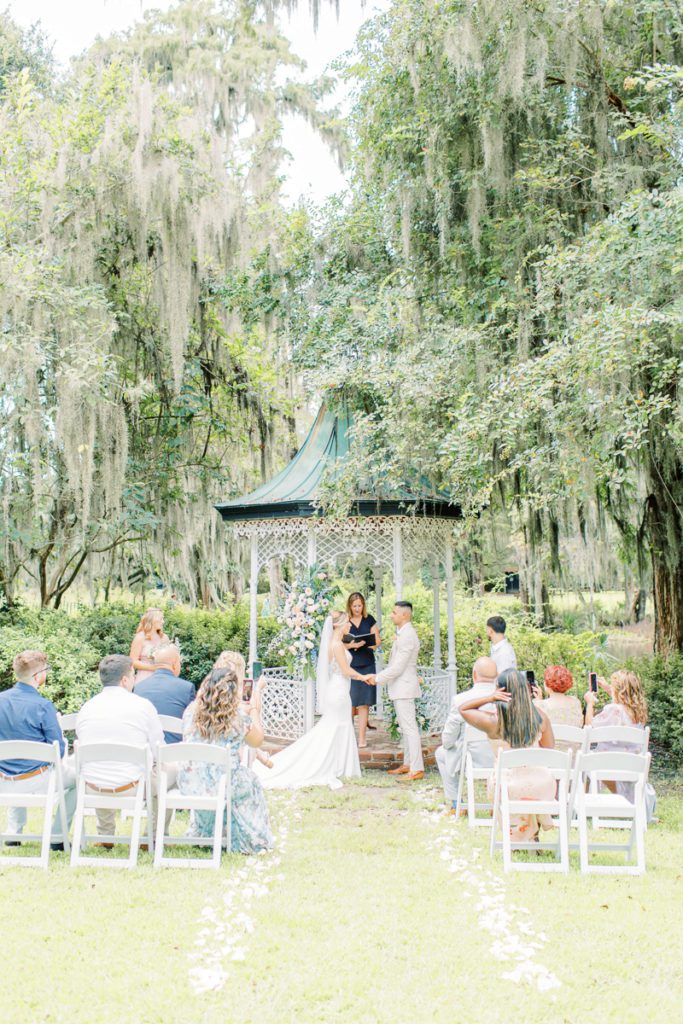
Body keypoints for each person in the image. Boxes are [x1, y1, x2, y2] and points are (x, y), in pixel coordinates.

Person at [253, 610, 364, 790]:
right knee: (338, 726)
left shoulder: (334, 644)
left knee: (337, 726)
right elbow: (345, 670)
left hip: (337, 689)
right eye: (347, 622)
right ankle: (340, 766)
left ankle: (341, 765)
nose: (350, 626)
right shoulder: (336, 645)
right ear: (337, 625)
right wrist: (366, 677)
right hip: (339, 690)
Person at [179, 666, 273, 853]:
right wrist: (254, 708)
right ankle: (248, 834)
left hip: (192, 783)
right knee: (250, 780)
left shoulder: (190, 711)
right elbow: (258, 740)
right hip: (225, 783)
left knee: (231, 778)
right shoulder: (237, 717)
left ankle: (209, 832)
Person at [76, 654, 166, 845]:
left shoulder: (87, 707)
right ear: (125, 680)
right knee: (167, 774)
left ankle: (106, 835)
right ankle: (152, 836)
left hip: (92, 786)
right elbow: (159, 748)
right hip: (133, 786)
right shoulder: (143, 706)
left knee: (100, 765)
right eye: (133, 675)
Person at [460, 668, 555, 842]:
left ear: (501, 691)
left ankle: (517, 836)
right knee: (533, 780)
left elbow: (463, 709)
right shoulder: (541, 718)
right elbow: (549, 751)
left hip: (507, 785)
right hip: (541, 785)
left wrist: (490, 697)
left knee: (513, 784)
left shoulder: (493, 722)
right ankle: (532, 833)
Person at [0, 650, 76, 850]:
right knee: (79, 779)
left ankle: (14, 831)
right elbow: (58, 749)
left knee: (16, 764)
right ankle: (57, 836)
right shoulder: (43, 705)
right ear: (38, 676)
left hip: (3, 779)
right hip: (37, 780)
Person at [367, 601, 424, 781]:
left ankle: (417, 768)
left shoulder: (407, 635)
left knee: (410, 728)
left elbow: (398, 667)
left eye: (394, 612)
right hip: (401, 687)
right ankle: (408, 763)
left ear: (404, 615)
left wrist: (376, 678)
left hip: (404, 687)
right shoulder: (403, 633)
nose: (391, 615)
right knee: (406, 728)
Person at [584, 669, 654, 815]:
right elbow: (621, 708)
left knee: (585, 759)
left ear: (619, 691)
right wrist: (609, 689)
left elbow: (590, 729)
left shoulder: (613, 710)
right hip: (631, 765)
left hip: (608, 764)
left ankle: (584, 807)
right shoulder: (638, 712)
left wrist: (590, 704)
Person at [434, 656, 498, 812]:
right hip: (500, 758)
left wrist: (448, 745)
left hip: (470, 759)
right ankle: (498, 803)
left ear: (474, 675)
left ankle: (458, 805)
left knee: (442, 753)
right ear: (497, 677)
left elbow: (448, 740)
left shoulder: (460, 700)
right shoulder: (509, 698)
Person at [212, 650, 272, 769]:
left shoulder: (209, 693)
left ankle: (260, 755)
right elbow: (254, 714)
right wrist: (258, 689)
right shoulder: (245, 688)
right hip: (235, 745)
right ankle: (260, 755)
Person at [133, 643, 195, 743]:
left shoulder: (138, 687)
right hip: (175, 752)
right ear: (175, 663)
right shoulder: (186, 688)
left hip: (147, 752)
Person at [343, 592, 381, 749]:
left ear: (363, 605)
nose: (357, 608)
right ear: (350, 606)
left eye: (360, 605)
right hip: (350, 665)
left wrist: (370, 644)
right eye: (354, 606)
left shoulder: (369, 619)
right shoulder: (345, 621)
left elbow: (377, 641)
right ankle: (348, 736)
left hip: (367, 665)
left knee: (364, 703)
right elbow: (338, 644)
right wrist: (353, 645)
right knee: (350, 702)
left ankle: (362, 739)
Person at [535, 665, 583, 730]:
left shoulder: (539, 705)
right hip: (573, 739)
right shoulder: (576, 702)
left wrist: (538, 701)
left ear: (547, 683)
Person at [129, 607, 169, 684]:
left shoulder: (164, 638)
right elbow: (133, 661)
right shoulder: (140, 637)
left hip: (162, 676)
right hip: (144, 677)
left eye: (163, 619)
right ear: (152, 619)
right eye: (161, 619)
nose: (163, 622)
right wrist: (153, 668)